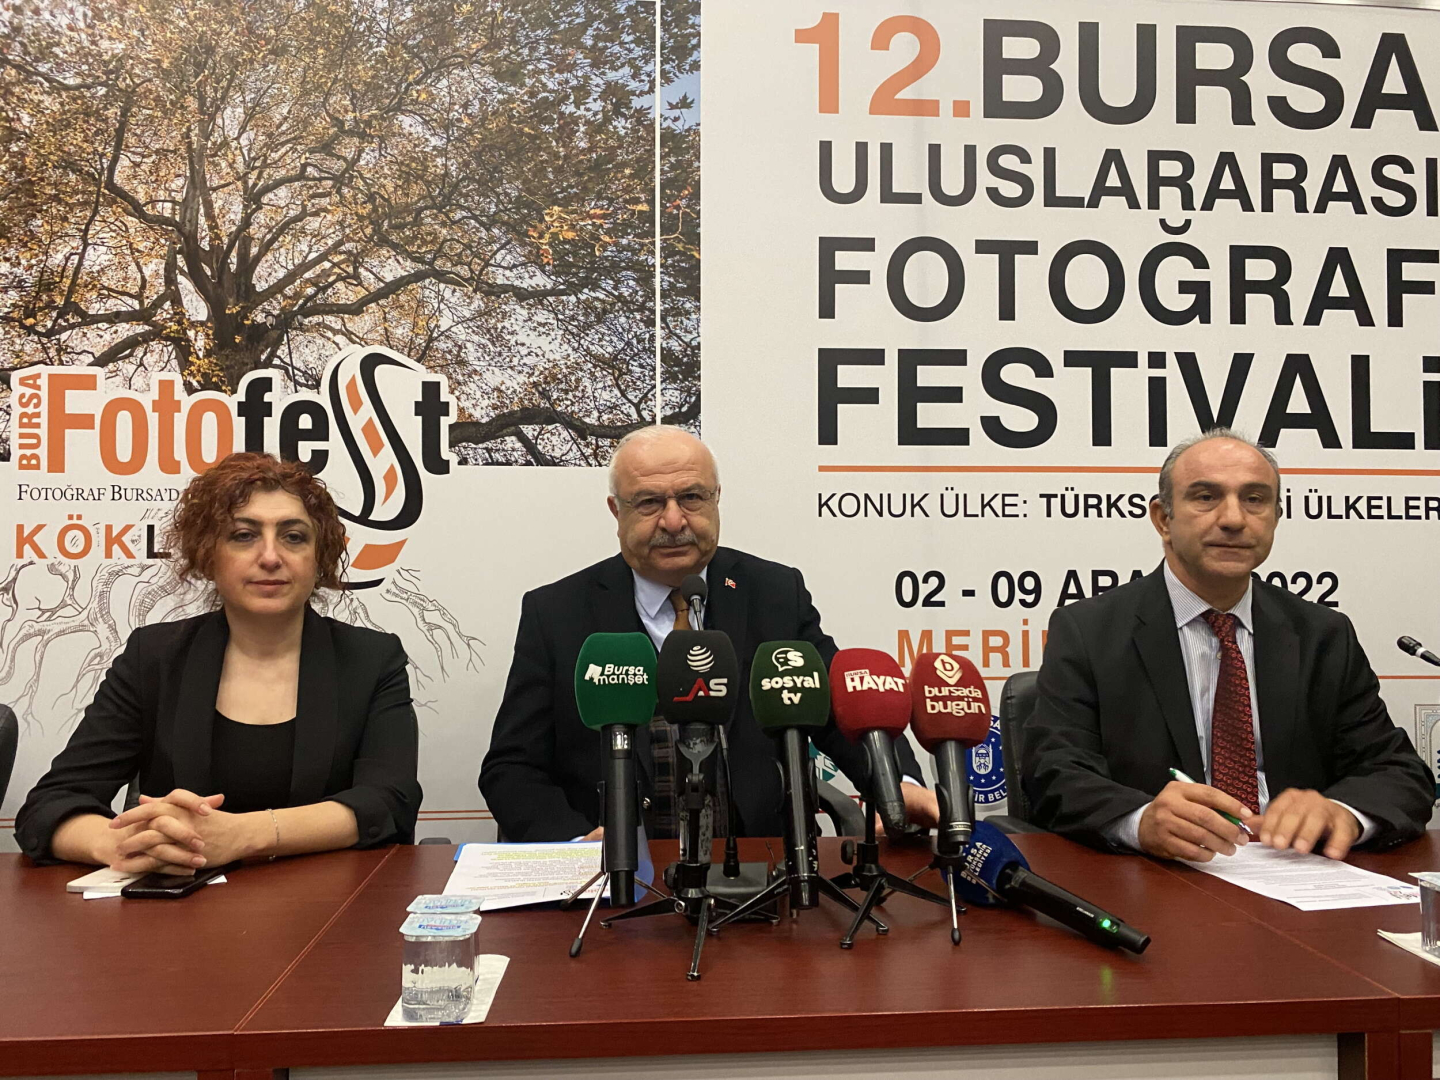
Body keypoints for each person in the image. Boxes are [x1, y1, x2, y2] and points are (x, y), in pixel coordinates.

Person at [480, 425, 939, 841]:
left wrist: (896, 785)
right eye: (649, 502)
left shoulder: (775, 593)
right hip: (618, 875)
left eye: (691, 497)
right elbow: (512, 767)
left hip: (761, 866)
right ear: (616, 511)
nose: (674, 521)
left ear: (716, 499)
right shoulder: (556, 612)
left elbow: (841, 707)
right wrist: (575, 844)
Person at [1023, 429, 1432, 862]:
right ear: (1163, 519)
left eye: (1255, 499)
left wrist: (1342, 813)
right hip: (1162, 876)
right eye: (1206, 497)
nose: (1234, 519)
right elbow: (1055, 773)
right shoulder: (1089, 631)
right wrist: (1140, 821)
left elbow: (1397, 771)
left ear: (1275, 517)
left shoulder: (1322, 635)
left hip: (1296, 872)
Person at [15, 453, 421, 871]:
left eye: (293, 537)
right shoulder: (154, 657)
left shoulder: (371, 659)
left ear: (319, 558)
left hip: (332, 901)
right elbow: (50, 806)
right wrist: (125, 845)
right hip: (179, 899)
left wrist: (244, 836)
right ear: (208, 556)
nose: (270, 556)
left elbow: (389, 802)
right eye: (243, 535)